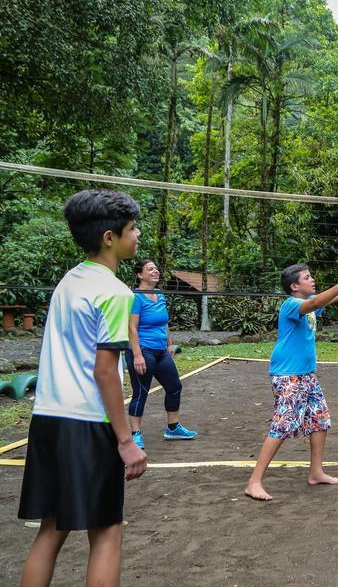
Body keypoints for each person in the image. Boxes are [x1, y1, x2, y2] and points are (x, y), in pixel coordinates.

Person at [19, 190, 147, 585]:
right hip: (88, 424)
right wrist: (126, 441)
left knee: (52, 529)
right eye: (132, 228)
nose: (138, 234)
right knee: (108, 531)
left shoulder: (68, 281)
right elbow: (105, 371)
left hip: (48, 420)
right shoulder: (114, 292)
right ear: (110, 237)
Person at [244, 262, 338, 501]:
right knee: (282, 425)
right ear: (295, 286)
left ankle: (316, 472)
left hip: (307, 375)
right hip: (288, 376)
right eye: (307, 277)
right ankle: (254, 482)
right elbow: (317, 301)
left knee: (319, 420)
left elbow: (331, 297)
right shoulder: (291, 305)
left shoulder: (309, 306)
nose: (312, 280)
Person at [126, 259, 197, 449]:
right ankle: (135, 434)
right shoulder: (136, 297)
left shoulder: (159, 294)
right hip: (143, 350)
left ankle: (173, 428)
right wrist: (137, 355)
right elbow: (131, 327)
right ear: (140, 275)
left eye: (156, 268)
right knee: (141, 392)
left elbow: (164, 322)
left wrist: (169, 344)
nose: (155, 271)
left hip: (160, 351)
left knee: (174, 386)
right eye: (150, 269)